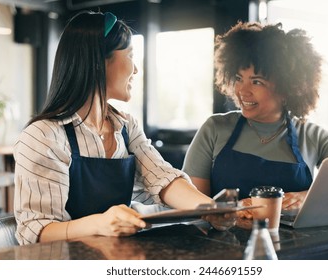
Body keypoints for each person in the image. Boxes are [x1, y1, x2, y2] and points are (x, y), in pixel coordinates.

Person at [13, 11, 224, 245]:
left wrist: (214, 210)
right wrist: (99, 224)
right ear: (98, 62)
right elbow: (35, 232)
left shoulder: (126, 126)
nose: (136, 70)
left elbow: (162, 179)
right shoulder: (43, 136)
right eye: (131, 55)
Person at [182, 21, 328, 216]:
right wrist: (232, 212)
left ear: (287, 88)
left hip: (295, 245)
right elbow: (193, 206)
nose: (243, 91)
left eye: (257, 82)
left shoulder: (312, 135)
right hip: (222, 243)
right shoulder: (214, 128)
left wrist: (308, 195)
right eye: (239, 79)